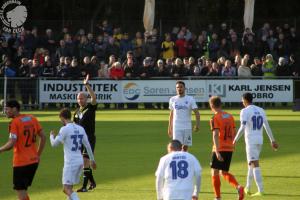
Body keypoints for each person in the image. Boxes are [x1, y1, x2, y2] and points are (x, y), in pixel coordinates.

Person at [233, 92, 279, 196]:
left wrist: (234, 140)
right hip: (259, 140)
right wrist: (272, 140)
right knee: (251, 164)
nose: (242, 102)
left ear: (245, 100)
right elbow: (266, 125)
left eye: (242, 100)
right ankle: (248, 188)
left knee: (254, 164)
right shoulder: (261, 110)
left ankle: (261, 190)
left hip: (251, 140)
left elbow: (243, 126)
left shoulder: (244, 111)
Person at [0, 100, 46, 200]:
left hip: (21, 163)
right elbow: (43, 137)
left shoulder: (15, 123)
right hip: (33, 161)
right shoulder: (32, 118)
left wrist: (0, 149)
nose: (5, 111)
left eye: (7, 109)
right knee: (23, 192)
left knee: (21, 193)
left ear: (14, 109)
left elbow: (11, 143)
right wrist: (38, 154)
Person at [50, 108, 97, 200]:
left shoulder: (64, 129)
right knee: (70, 188)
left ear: (62, 118)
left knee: (65, 189)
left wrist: (51, 136)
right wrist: (92, 160)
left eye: (60, 119)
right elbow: (87, 145)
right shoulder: (80, 128)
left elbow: (54, 144)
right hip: (80, 161)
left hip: (70, 162)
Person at [209, 96, 244, 200]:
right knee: (223, 172)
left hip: (219, 148)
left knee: (214, 172)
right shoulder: (229, 116)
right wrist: (233, 145)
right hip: (229, 147)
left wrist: (217, 151)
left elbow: (215, 134)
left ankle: (217, 197)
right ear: (221, 104)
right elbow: (234, 132)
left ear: (212, 105)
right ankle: (238, 187)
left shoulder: (214, 118)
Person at [73, 75, 98, 192]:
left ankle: (84, 187)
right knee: (84, 163)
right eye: (78, 98)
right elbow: (74, 127)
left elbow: (94, 97)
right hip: (79, 141)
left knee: (85, 161)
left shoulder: (90, 108)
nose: (80, 100)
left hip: (89, 139)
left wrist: (87, 85)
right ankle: (92, 182)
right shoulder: (76, 112)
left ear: (86, 99)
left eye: (82, 98)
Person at [168, 81, 200, 151]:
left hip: (187, 126)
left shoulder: (190, 99)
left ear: (185, 88)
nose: (179, 89)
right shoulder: (172, 99)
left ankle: (184, 158)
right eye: (177, 87)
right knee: (177, 146)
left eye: (181, 87)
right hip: (177, 127)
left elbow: (196, 112)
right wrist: (169, 127)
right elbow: (172, 114)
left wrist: (197, 124)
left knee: (185, 147)